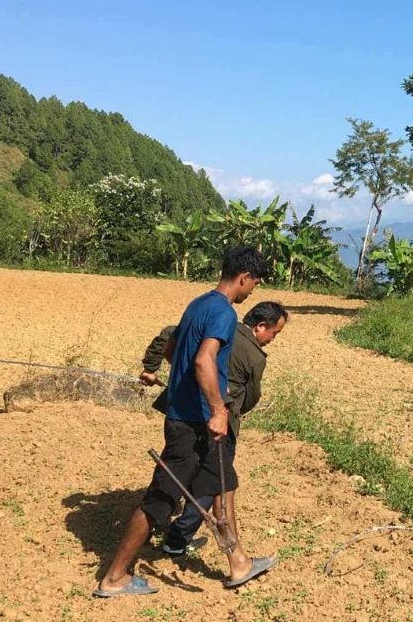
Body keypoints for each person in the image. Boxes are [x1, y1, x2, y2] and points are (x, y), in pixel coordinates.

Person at [95, 246, 276, 597]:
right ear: (244, 278)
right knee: (161, 499)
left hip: (192, 418)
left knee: (224, 484)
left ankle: (238, 561)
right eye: (254, 283)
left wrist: (170, 377)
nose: (252, 291)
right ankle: (114, 577)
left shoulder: (199, 303)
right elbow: (204, 361)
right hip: (192, 424)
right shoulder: (223, 312)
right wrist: (218, 410)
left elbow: (173, 347)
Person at [140, 301, 289, 556]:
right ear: (260, 326)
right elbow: (251, 397)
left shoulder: (218, 327)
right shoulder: (253, 355)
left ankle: (151, 526)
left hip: (185, 413)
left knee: (173, 470)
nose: (273, 339)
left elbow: (168, 334)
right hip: (219, 422)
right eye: (274, 333)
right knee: (212, 483)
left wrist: (151, 367)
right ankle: (177, 539)